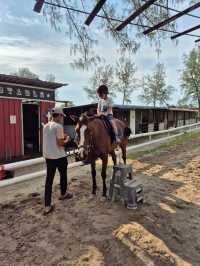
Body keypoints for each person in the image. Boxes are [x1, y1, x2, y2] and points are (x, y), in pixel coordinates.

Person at [43, 108, 73, 215]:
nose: (62, 119)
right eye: (62, 117)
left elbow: (52, 139)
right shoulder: (59, 126)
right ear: (59, 116)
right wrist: (67, 140)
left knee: (49, 181)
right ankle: (63, 194)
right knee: (63, 175)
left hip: (48, 157)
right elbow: (61, 144)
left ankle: (47, 205)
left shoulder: (46, 126)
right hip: (59, 156)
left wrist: (62, 136)